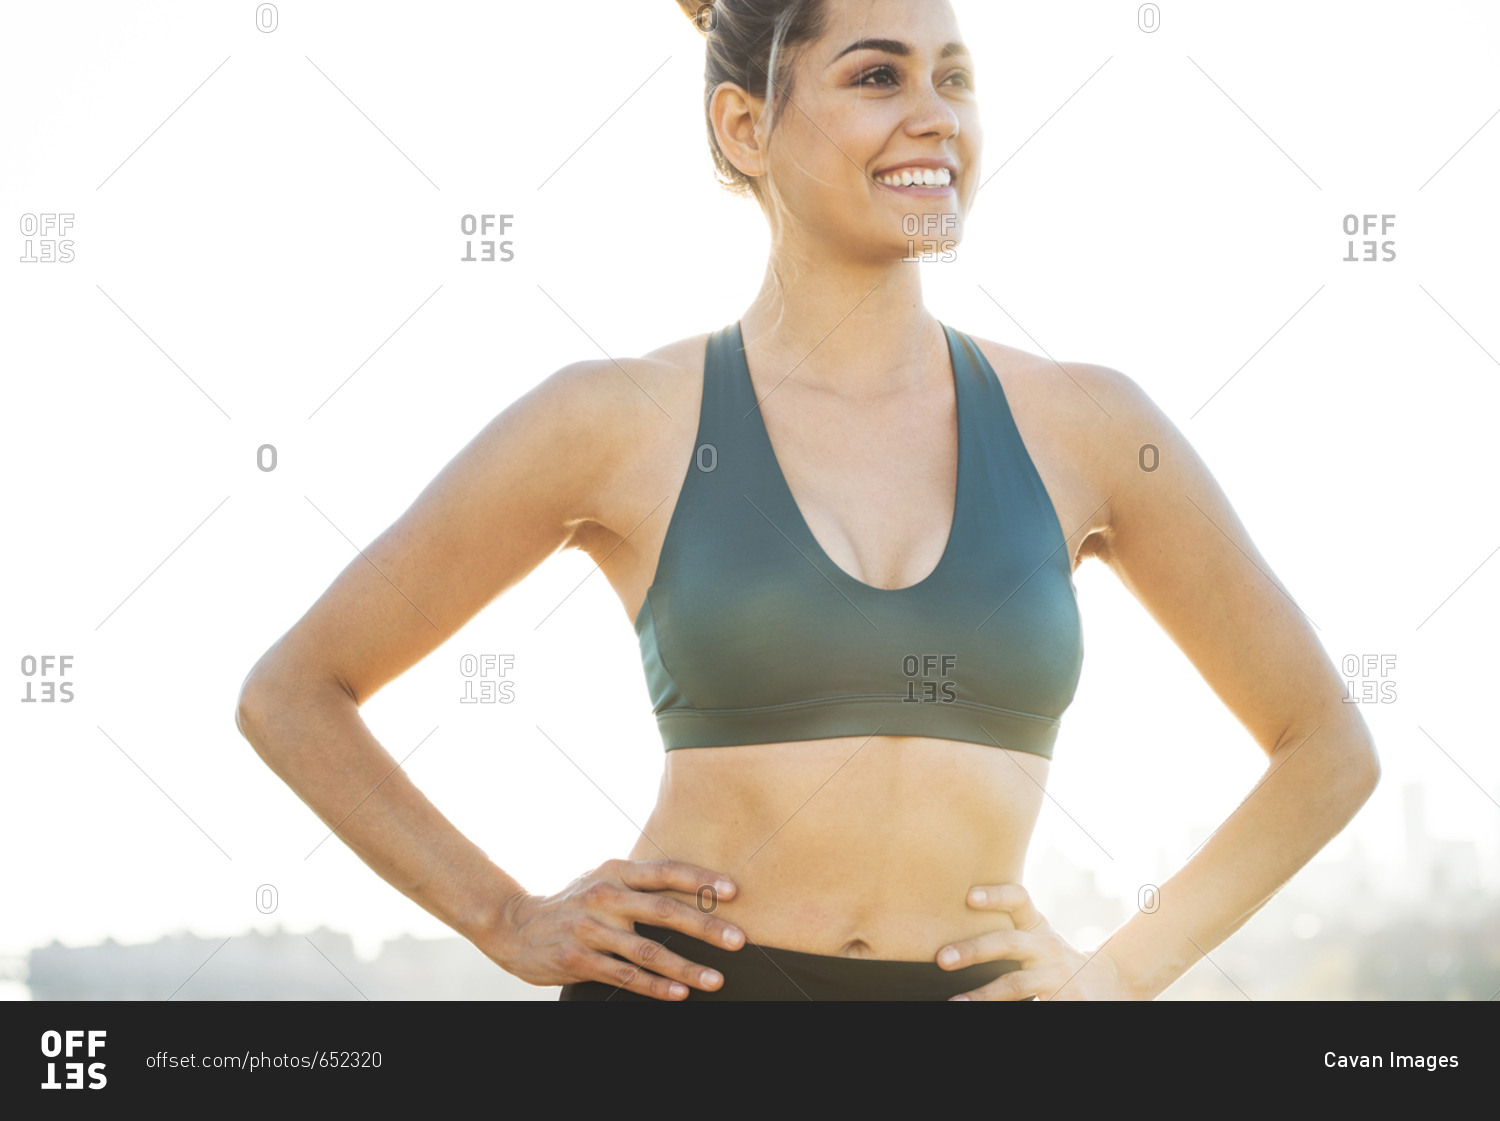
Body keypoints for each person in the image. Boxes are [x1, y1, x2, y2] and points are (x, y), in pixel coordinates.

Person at [235, 0, 1380, 1000]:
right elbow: (293, 693)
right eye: (878, 75)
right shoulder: (615, 419)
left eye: (957, 78)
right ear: (743, 125)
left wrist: (1124, 970)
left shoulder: (1092, 427)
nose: (935, 115)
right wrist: (504, 915)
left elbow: (1325, 746)